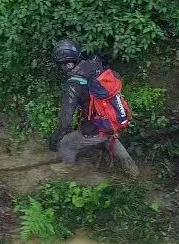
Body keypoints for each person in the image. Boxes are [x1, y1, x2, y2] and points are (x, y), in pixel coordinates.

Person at [49, 39, 139, 176]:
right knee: (108, 135)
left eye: (61, 64)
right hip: (113, 119)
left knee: (67, 143)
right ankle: (132, 169)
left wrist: (56, 140)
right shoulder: (95, 64)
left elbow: (65, 122)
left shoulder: (73, 86)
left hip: (97, 125)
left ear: (67, 64)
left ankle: (67, 169)